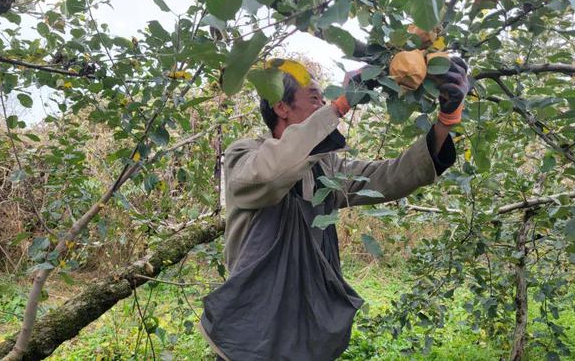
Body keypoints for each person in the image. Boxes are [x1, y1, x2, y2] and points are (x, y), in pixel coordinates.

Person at [198, 57, 470, 361]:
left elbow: (390, 177)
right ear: (281, 107)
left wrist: (446, 120)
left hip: (307, 329)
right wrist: (340, 106)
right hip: (251, 331)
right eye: (315, 98)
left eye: (326, 100)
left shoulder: (326, 169)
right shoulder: (244, 155)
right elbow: (272, 173)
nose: (325, 105)